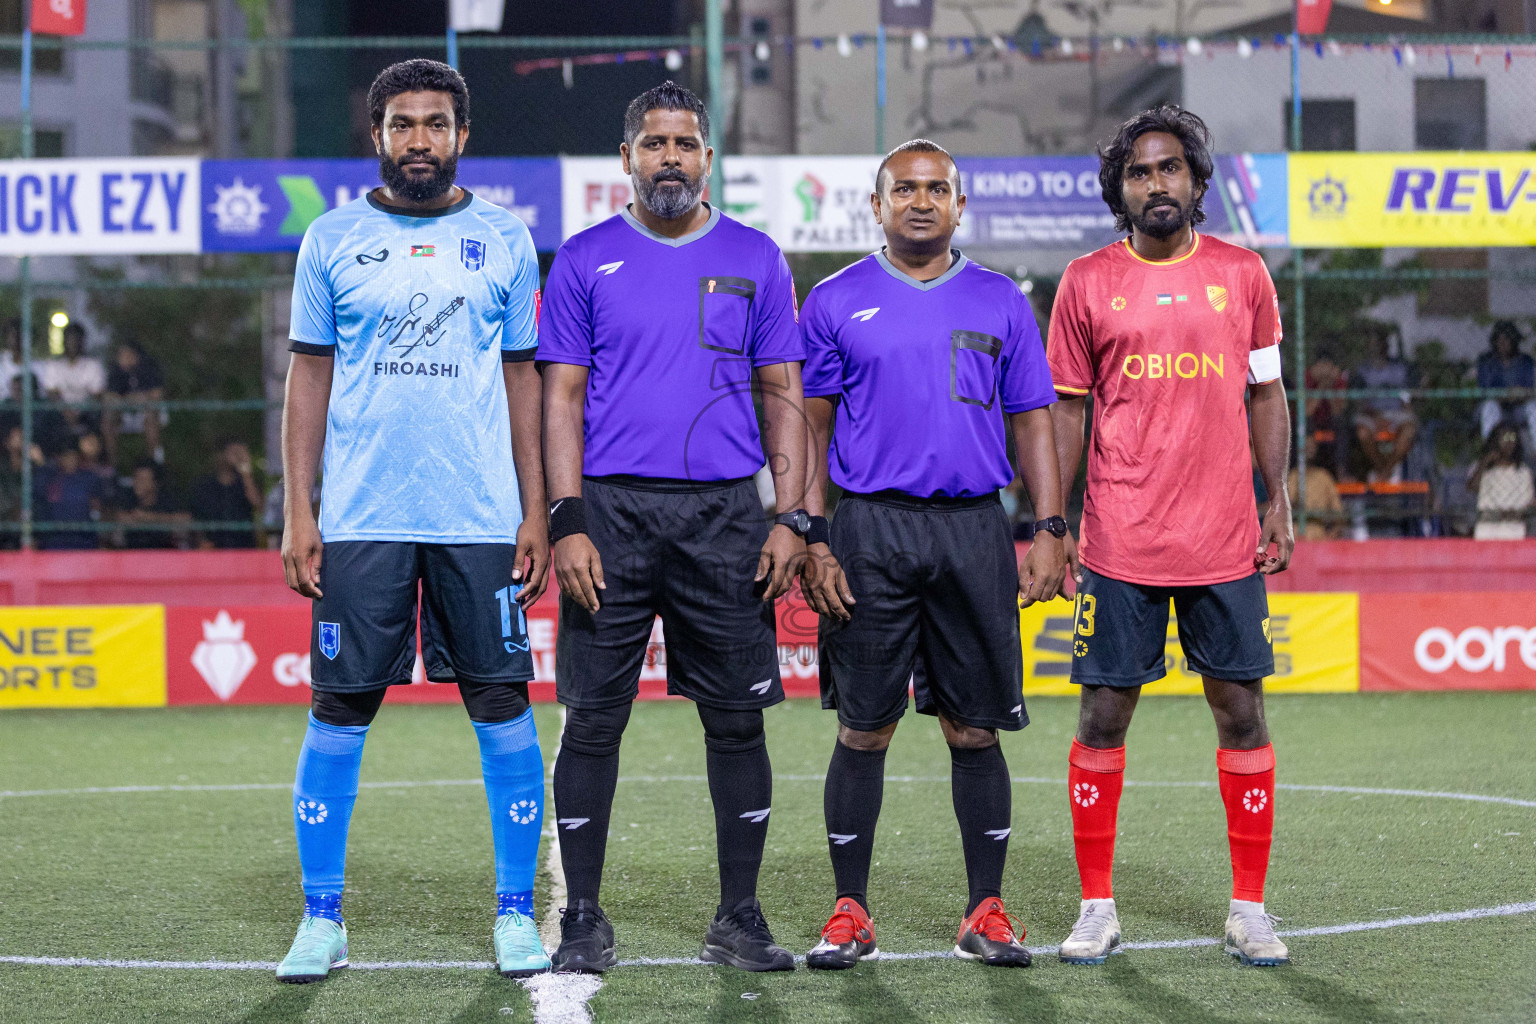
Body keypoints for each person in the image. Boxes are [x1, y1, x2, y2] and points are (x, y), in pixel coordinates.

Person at [275, 59, 550, 983]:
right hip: (361, 515)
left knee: (502, 704)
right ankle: (322, 920)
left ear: (462, 136)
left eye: (436, 124)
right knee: (339, 706)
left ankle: (515, 914)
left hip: (479, 515)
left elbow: (524, 379)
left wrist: (536, 509)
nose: (420, 139)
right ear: (379, 135)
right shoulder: (332, 238)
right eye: (403, 124)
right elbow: (307, 375)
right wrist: (297, 508)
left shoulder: (506, 238)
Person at [538, 81, 807, 974]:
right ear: (627, 159)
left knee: (737, 722)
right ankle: (581, 915)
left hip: (728, 515)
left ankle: (740, 916)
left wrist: (792, 518)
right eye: (654, 145)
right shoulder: (581, 260)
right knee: (593, 720)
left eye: (685, 145)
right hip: (609, 513)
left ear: (706, 158)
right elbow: (561, 399)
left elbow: (783, 396)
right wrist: (567, 519)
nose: (670, 160)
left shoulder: (758, 256)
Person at [797, 139, 1066, 971]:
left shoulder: (1002, 300)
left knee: (974, 729)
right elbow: (807, 426)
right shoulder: (836, 300)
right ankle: (850, 912)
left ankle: (984, 910)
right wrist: (811, 533)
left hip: (972, 530)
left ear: (959, 205)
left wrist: (1051, 528)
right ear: (876, 207)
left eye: (937, 189)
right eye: (903, 189)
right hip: (868, 530)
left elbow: (1033, 421)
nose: (921, 200)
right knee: (864, 726)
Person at [1047, 106, 1294, 967]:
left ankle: (1250, 907)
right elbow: (1069, 411)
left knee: (1240, 710)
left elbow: (1267, 394)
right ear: (1120, 189)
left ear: (1196, 181)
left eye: (1171, 169)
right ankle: (1096, 905)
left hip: (1224, 539)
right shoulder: (1084, 282)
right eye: (1141, 172)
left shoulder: (1244, 274)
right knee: (1103, 714)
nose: (1157, 184)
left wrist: (1279, 498)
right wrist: (1059, 520)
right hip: (1121, 539)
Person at [1352, 329, 1417, 483]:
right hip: (1372, 414)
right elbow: (1360, 401)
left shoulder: (1398, 368)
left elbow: (1406, 397)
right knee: (1362, 433)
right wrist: (1375, 416)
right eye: (1374, 345)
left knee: (1408, 431)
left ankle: (1385, 472)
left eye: (1381, 345)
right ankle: (1385, 471)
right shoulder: (1363, 371)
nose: (1378, 349)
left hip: (1396, 413)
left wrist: (1406, 407)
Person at [189, 438, 262, 549]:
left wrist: (245, 471)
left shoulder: (246, 482)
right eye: (233, 452)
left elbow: (257, 504)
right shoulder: (205, 486)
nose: (238, 457)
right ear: (219, 455)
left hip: (244, 548)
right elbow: (196, 518)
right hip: (213, 549)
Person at [103, 340, 165, 464]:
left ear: (134, 355)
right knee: (108, 420)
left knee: (151, 418)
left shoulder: (148, 367)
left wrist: (135, 398)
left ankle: (152, 461)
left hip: (148, 412)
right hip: (125, 412)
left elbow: (157, 394)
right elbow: (109, 396)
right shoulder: (116, 371)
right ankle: (112, 462)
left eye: (124, 355)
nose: (120, 358)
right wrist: (132, 399)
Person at [1468, 425, 1534, 540]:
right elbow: (1472, 487)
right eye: (1504, 437)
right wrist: (1484, 463)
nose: (1509, 442)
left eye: (1512, 438)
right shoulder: (1483, 468)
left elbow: (1529, 502)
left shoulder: (1523, 471)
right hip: (1487, 526)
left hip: (1514, 527)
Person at [41, 323, 106, 436]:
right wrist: (67, 412)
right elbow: (52, 393)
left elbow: (96, 395)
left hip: (86, 414)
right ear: (64, 341)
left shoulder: (93, 365)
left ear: (82, 342)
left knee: (98, 416)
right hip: (60, 414)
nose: (73, 344)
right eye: (69, 340)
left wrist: (78, 413)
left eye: (76, 340)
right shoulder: (54, 365)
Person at [1476, 321, 1536, 442]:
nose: (1502, 343)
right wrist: (1504, 395)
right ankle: (1491, 449)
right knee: (1489, 407)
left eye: (1506, 339)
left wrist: (1519, 394)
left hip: (1519, 407)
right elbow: (1484, 390)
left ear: (1513, 341)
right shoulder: (1486, 361)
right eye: (1499, 339)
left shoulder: (1526, 361)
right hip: (1496, 406)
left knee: (1533, 408)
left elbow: (1531, 389)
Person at [34, 444, 102, 550]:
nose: (69, 459)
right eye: (66, 456)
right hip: (55, 540)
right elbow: (38, 498)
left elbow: (96, 505)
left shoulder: (89, 477)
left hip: (83, 539)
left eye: (72, 456)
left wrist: (96, 522)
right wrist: (41, 463)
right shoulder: (50, 478)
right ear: (59, 458)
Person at [116, 460, 188, 549]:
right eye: (136, 478)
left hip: (164, 555)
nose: (137, 483)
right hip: (133, 555)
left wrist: (150, 518)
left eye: (143, 479)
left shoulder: (167, 499)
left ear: (155, 483)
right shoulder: (127, 497)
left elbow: (185, 519)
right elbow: (115, 517)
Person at [1287, 434, 1344, 540]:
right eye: (1306, 446)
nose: (1310, 450)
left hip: (1319, 536)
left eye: (1312, 446)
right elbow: (1286, 508)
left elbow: (1338, 514)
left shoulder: (1325, 477)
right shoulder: (1293, 476)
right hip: (1296, 535)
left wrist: (1332, 536)